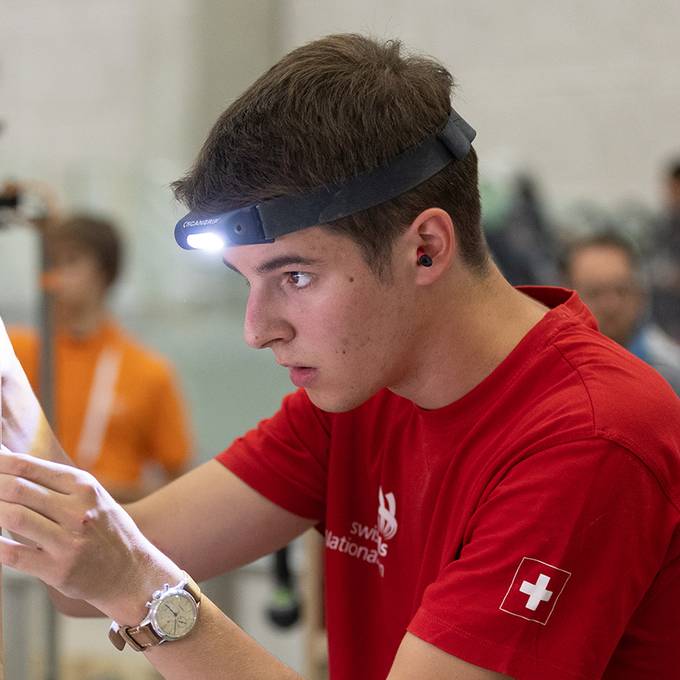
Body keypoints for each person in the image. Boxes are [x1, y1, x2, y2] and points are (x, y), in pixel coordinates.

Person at [0, 34, 678, 680]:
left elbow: (125, 572)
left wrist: (146, 595)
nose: (257, 330)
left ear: (426, 248)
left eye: (294, 277)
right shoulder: (361, 398)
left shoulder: (593, 436)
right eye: (247, 281)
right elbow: (88, 577)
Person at [8, 214, 193, 501]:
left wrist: (104, 496)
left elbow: (179, 479)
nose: (53, 278)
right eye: (50, 263)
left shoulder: (148, 371)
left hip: (110, 524)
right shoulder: (14, 354)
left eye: (69, 261)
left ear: (104, 273)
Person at [562, 230, 680, 394]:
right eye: (595, 293)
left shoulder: (670, 372)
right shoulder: (554, 369)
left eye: (622, 290)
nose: (611, 305)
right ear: (565, 298)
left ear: (640, 295)